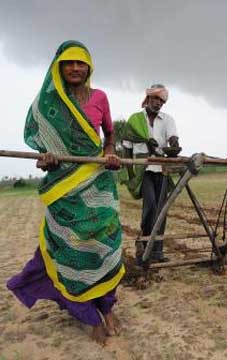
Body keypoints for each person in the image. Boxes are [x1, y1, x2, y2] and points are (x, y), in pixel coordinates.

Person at [7, 40, 124, 345]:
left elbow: (109, 134)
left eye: (79, 63)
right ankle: (88, 315)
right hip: (65, 193)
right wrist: (46, 158)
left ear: (89, 68)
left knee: (105, 251)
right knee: (71, 254)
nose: (74, 68)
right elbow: (46, 149)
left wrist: (110, 152)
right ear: (58, 68)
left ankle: (107, 308)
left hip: (98, 186)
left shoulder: (100, 97)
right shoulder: (48, 105)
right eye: (67, 63)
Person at [122, 84, 179, 264]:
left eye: (161, 101)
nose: (158, 103)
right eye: (155, 99)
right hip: (143, 170)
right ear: (147, 99)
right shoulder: (135, 120)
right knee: (151, 206)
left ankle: (157, 252)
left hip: (161, 169)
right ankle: (145, 245)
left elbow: (173, 138)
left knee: (161, 209)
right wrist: (130, 173)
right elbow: (126, 149)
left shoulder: (167, 120)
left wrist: (174, 145)